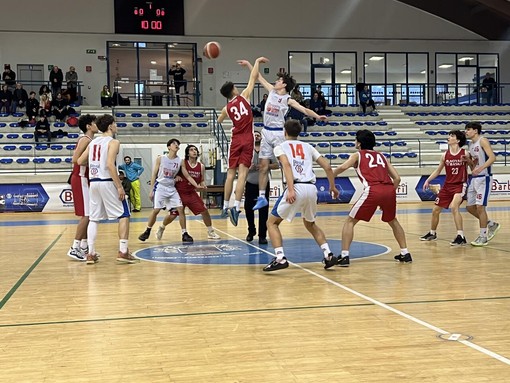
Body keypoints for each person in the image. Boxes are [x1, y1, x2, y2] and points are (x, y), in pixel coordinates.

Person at [263, 119, 339, 272]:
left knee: (271, 223)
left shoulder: (280, 147)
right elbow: (328, 167)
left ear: (285, 132)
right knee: (310, 224)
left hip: (296, 186)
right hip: (311, 188)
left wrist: (290, 190)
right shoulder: (308, 147)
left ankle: (280, 257)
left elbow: (286, 165)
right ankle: (328, 254)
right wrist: (332, 187)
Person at [250, 66, 328, 211]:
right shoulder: (271, 91)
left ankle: (288, 190)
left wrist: (317, 116)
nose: (276, 81)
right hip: (266, 132)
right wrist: (252, 64)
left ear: (284, 84)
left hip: (279, 133)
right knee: (263, 167)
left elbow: (304, 110)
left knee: (284, 166)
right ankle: (262, 197)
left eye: (279, 80)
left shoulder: (288, 100)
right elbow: (258, 76)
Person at [333, 129, 412, 266]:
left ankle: (344, 256)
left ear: (359, 143)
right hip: (389, 189)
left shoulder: (357, 155)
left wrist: (330, 175)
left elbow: (342, 168)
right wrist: (387, 194)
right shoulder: (381, 156)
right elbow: (397, 178)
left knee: (350, 221)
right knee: (393, 221)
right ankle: (405, 253)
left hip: (373, 189)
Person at [77, 114, 138, 264]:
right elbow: (110, 165)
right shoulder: (114, 142)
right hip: (107, 181)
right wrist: (119, 187)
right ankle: (123, 251)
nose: (116, 126)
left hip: (94, 182)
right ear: (110, 126)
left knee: (94, 218)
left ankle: (90, 253)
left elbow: (79, 160)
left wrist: (94, 164)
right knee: (124, 214)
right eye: (115, 123)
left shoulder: (93, 142)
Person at [217, 56, 267, 226]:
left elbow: (218, 121)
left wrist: (225, 117)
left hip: (235, 139)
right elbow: (253, 77)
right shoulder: (244, 96)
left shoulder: (226, 108)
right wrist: (257, 62)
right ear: (233, 89)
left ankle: (224, 206)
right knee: (242, 175)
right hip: (248, 138)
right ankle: (236, 207)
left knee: (230, 174)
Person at [138, 138, 202, 243]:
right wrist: (151, 190)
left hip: (171, 188)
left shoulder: (180, 161)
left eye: (178, 144)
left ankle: (184, 233)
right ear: (169, 147)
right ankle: (147, 231)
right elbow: (154, 174)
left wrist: (196, 186)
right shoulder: (161, 158)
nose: (176, 145)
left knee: (180, 209)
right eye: (174, 143)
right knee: (156, 210)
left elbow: (187, 175)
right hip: (160, 187)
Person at [155, 144, 221, 241]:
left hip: (191, 193)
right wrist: (175, 177)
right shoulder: (182, 162)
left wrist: (203, 185)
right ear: (187, 153)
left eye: (195, 150)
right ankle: (162, 227)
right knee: (173, 215)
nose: (194, 151)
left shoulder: (201, 166)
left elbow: (201, 179)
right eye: (191, 150)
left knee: (205, 211)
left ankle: (210, 231)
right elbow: (172, 173)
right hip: (179, 192)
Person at [420, 130, 469, 245]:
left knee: (454, 207)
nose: (448, 137)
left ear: (457, 140)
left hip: (460, 185)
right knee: (435, 210)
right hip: (447, 186)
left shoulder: (465, 153)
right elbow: (438, 171)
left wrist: (470, 162)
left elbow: (473, 164)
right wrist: (428, 180)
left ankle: (461, 236)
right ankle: (432, 233)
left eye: (452, 136)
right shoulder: (444, 155)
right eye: (449, 135)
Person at [463, 121, 500, 246]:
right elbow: (474, 163)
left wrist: (481, 168)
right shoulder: (470, 144)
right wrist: (468, 161)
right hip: (474, 178)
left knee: (480, 207)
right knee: (469, 207)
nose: (466, 132)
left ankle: (483, 236)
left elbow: (492, 157)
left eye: (468, 129)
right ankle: (491, 224)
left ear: (475, 130)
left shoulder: (483, 140)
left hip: (484, 177)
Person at [67, 114, 98, 261]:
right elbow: (75, 159)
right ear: (88, 126)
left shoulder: (90, 140)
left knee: (89, 214)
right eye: (94, 123)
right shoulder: (85, 139)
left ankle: (84, 247)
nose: (97, 125)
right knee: (87, 215)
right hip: (80, 178)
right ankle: (74, 247)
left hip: (84, 179)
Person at [244, 131, 278, 244]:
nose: (256, 136)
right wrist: (249, 167)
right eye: (254, 135)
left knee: (264, 211)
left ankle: (262, 235)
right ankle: (251, 230)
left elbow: (277, 165)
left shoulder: (267, 150)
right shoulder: (247, 150)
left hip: (264, 184)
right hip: (250, 183)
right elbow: (242, 167)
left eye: (258, 135)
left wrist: (265, 166)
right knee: (248, 209)